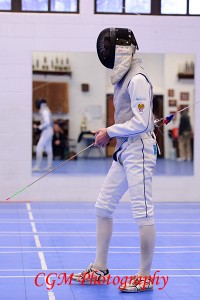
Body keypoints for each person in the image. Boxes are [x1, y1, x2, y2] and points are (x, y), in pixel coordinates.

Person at [72, 28, 157, 293]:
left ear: (123, 48)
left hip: (139, 151)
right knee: (103, 206)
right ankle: (100, 268)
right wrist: (111, 133)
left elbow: (141, 123)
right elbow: (131, 119)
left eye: (109, 46)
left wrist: (109, 131)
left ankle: (145, 276)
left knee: (142, 213)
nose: (105, 51)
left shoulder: (137, 79)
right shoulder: (123, 80)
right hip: (124, 150)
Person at [32, 98, 53, 171]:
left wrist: (39, 127)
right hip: (48, 130)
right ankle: (49, 167)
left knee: (39, 148)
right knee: (48, 148)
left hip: (47, 131)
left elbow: (47, 123)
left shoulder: (45, 111)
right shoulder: (46, 110)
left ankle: (37, 166)